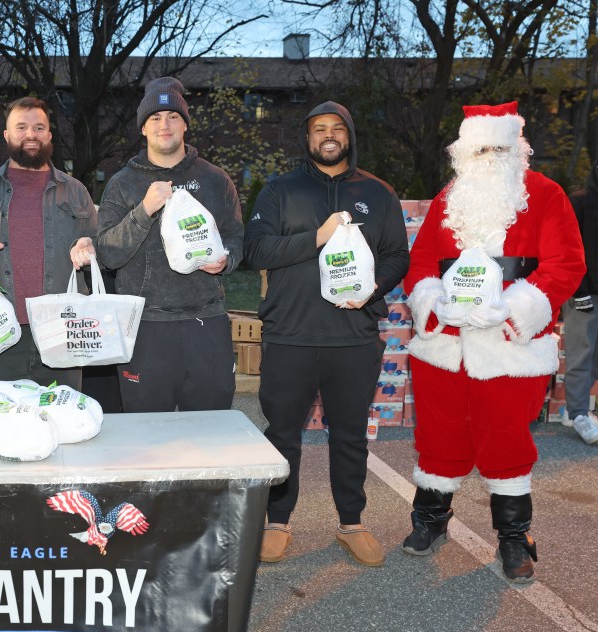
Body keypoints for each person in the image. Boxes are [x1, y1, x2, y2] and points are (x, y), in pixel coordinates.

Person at [403, 101, 585, 583]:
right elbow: (421, 265)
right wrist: (432, 303)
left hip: (509, 344)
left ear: (517, 149)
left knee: (506, 439)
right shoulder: (448, 199)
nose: (490, 156)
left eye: (499, 148)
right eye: (480, 148)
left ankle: (513, 536)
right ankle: (431, 520)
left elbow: (566, 264)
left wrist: (515, 309)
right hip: (447, 346)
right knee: (439, 435)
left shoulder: (546, 196)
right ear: (464, 152)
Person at [245, 100, 409, 567]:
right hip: (290, 334)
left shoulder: (378, 194)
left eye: (338, 127)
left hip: (354, 337)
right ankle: (277, 521)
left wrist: (374, 288)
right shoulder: (280, 190)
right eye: (319, 129)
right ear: (308, 138)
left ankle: (351, 523)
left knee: (351, 434)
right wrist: (316, 237)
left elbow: (398, 254)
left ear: (350, 135)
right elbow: (255, 250)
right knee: (282, 434)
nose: (329, 135)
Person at [95, 77, 244, 412]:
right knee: (148, 435)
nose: (165, 125)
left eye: (173, 117)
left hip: (206, 322)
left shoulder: (214, 179)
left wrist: (227, 259)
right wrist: (143, 210)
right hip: (145, 327)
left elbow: (236, 236)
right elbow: (107, 253)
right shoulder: (122, 184)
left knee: (211, 428)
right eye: (155, 118)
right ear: (143, 129)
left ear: (185, 125)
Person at [0, 97, 97, 390]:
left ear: (49, 135)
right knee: (2, 424)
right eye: (21, 127)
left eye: (39, 127)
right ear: (6, 135)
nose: (31, 135)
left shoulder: (75, 191)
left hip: (63, 330)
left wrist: (90, 248)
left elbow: (101, 246)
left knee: (63, 421)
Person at [562, 162, 598, 444]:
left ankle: (580, 408)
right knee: (580, 355)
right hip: (583, 293)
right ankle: (578, 414)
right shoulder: (579, 200)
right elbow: (569, 248)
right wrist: (579, 290)